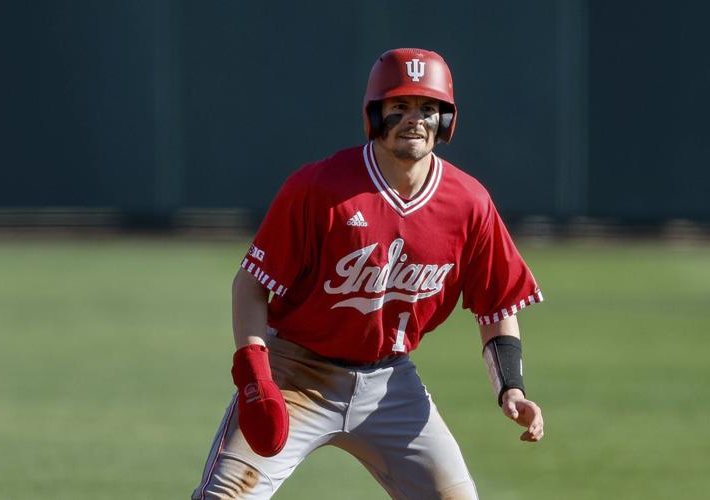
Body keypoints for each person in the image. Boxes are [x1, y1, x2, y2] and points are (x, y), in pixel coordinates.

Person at [191, 47, 544, 499]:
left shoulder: (469, 203)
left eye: (428, 108)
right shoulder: (320, 187)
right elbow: (252, 284)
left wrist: (511, 389)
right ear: (374, 116)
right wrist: (256, 375)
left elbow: (497, 304)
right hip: (296, 371)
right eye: (399, 106)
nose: (414, 119)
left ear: (447, 121)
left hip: (390, 385)